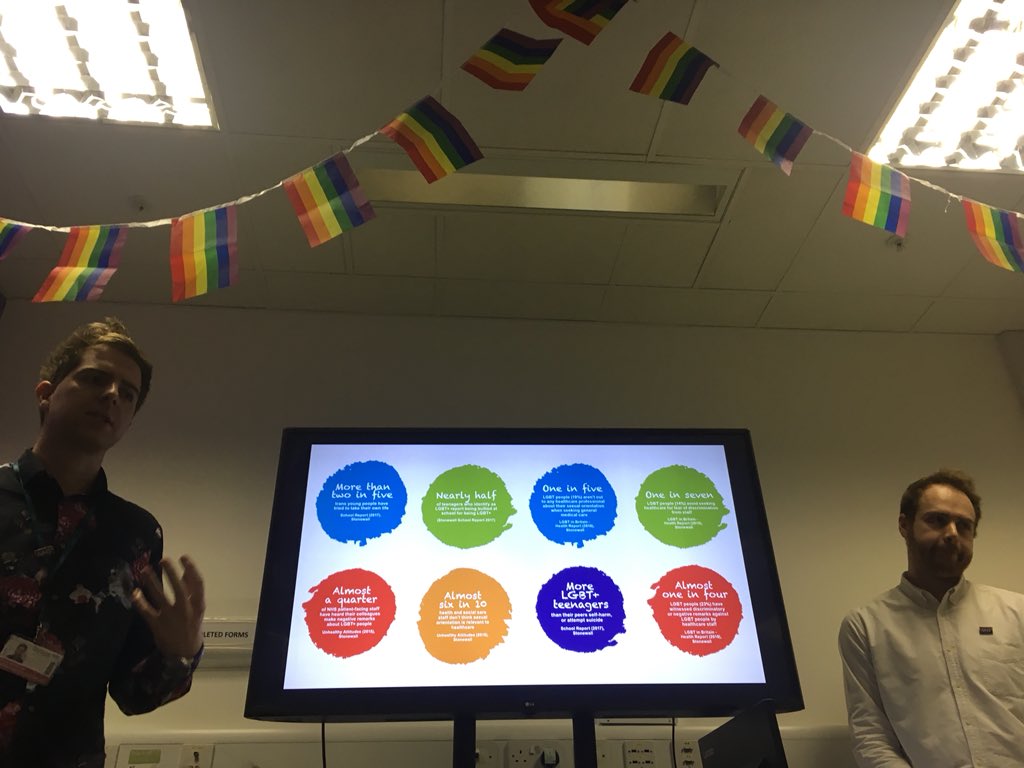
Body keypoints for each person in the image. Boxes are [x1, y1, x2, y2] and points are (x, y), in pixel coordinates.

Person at [0, 317, 205, 767]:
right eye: (95, 378)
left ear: (128, 421)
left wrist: (179, 653)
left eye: (127, 394)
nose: (112, 394)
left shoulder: (135, 534)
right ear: (46, 393)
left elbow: (134, 695)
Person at [838, 469, 1024, 767]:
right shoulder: (865, 627)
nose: (952, 533)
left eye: (964, 525)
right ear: (904, 525)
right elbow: (871, 738)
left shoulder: (1017, 612)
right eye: (937, 520)